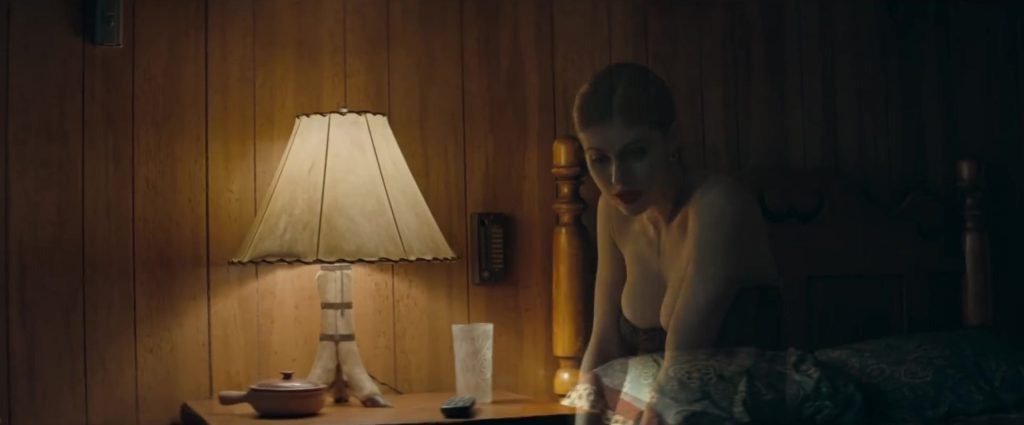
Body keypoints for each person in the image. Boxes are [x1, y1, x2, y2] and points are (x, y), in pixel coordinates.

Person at [572, 62, 776, 422]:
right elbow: (603, 344)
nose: (618, 177)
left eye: (636, 153)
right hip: (660, 406)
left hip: (740, 402)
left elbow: (681, 363)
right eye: (599, 160)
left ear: (672, 139)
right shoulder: (612, 210)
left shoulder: (718, 205)